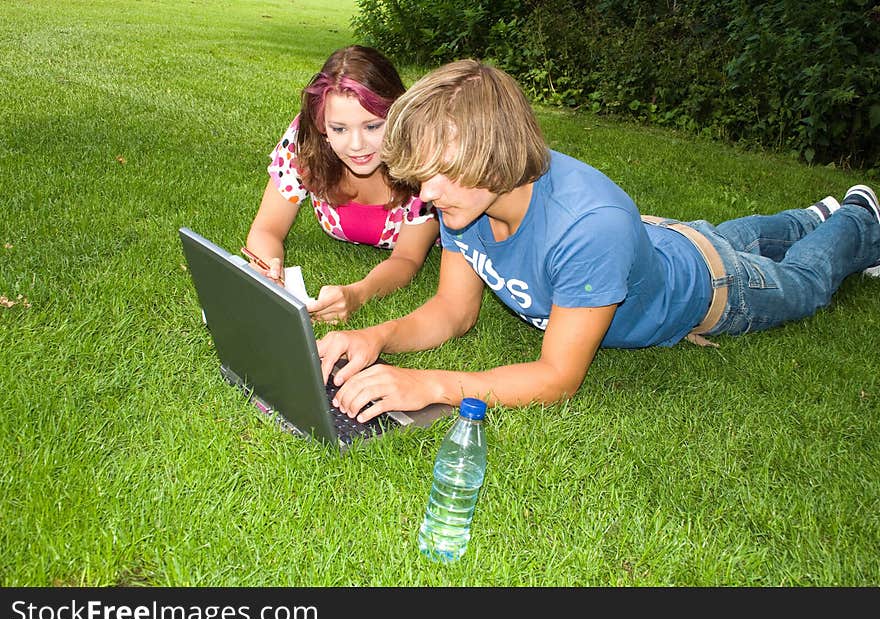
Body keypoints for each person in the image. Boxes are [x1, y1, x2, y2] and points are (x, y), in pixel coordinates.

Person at [316, 59, 880, 423]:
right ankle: (813, 216)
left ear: (496, 155)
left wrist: (429, 383)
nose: (429, 195)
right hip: (661, 242)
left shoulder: (589, 228)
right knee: (740, 234)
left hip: (712, 291)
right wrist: (375, 337)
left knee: (805, 282)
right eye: (422, 177)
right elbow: (452, 312)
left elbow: (558, 376)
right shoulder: (468, 200)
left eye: (441, 174)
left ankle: (858, 218)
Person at [245, 45, 439, 322]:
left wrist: (358, 293)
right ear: (322, 127)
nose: (357, 145)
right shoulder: (304, 142)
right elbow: (267, 228)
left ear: (397, 117)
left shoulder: (422, 159)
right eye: (339, 129)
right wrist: (268, 268)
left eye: (373, 126)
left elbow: (406, 259)